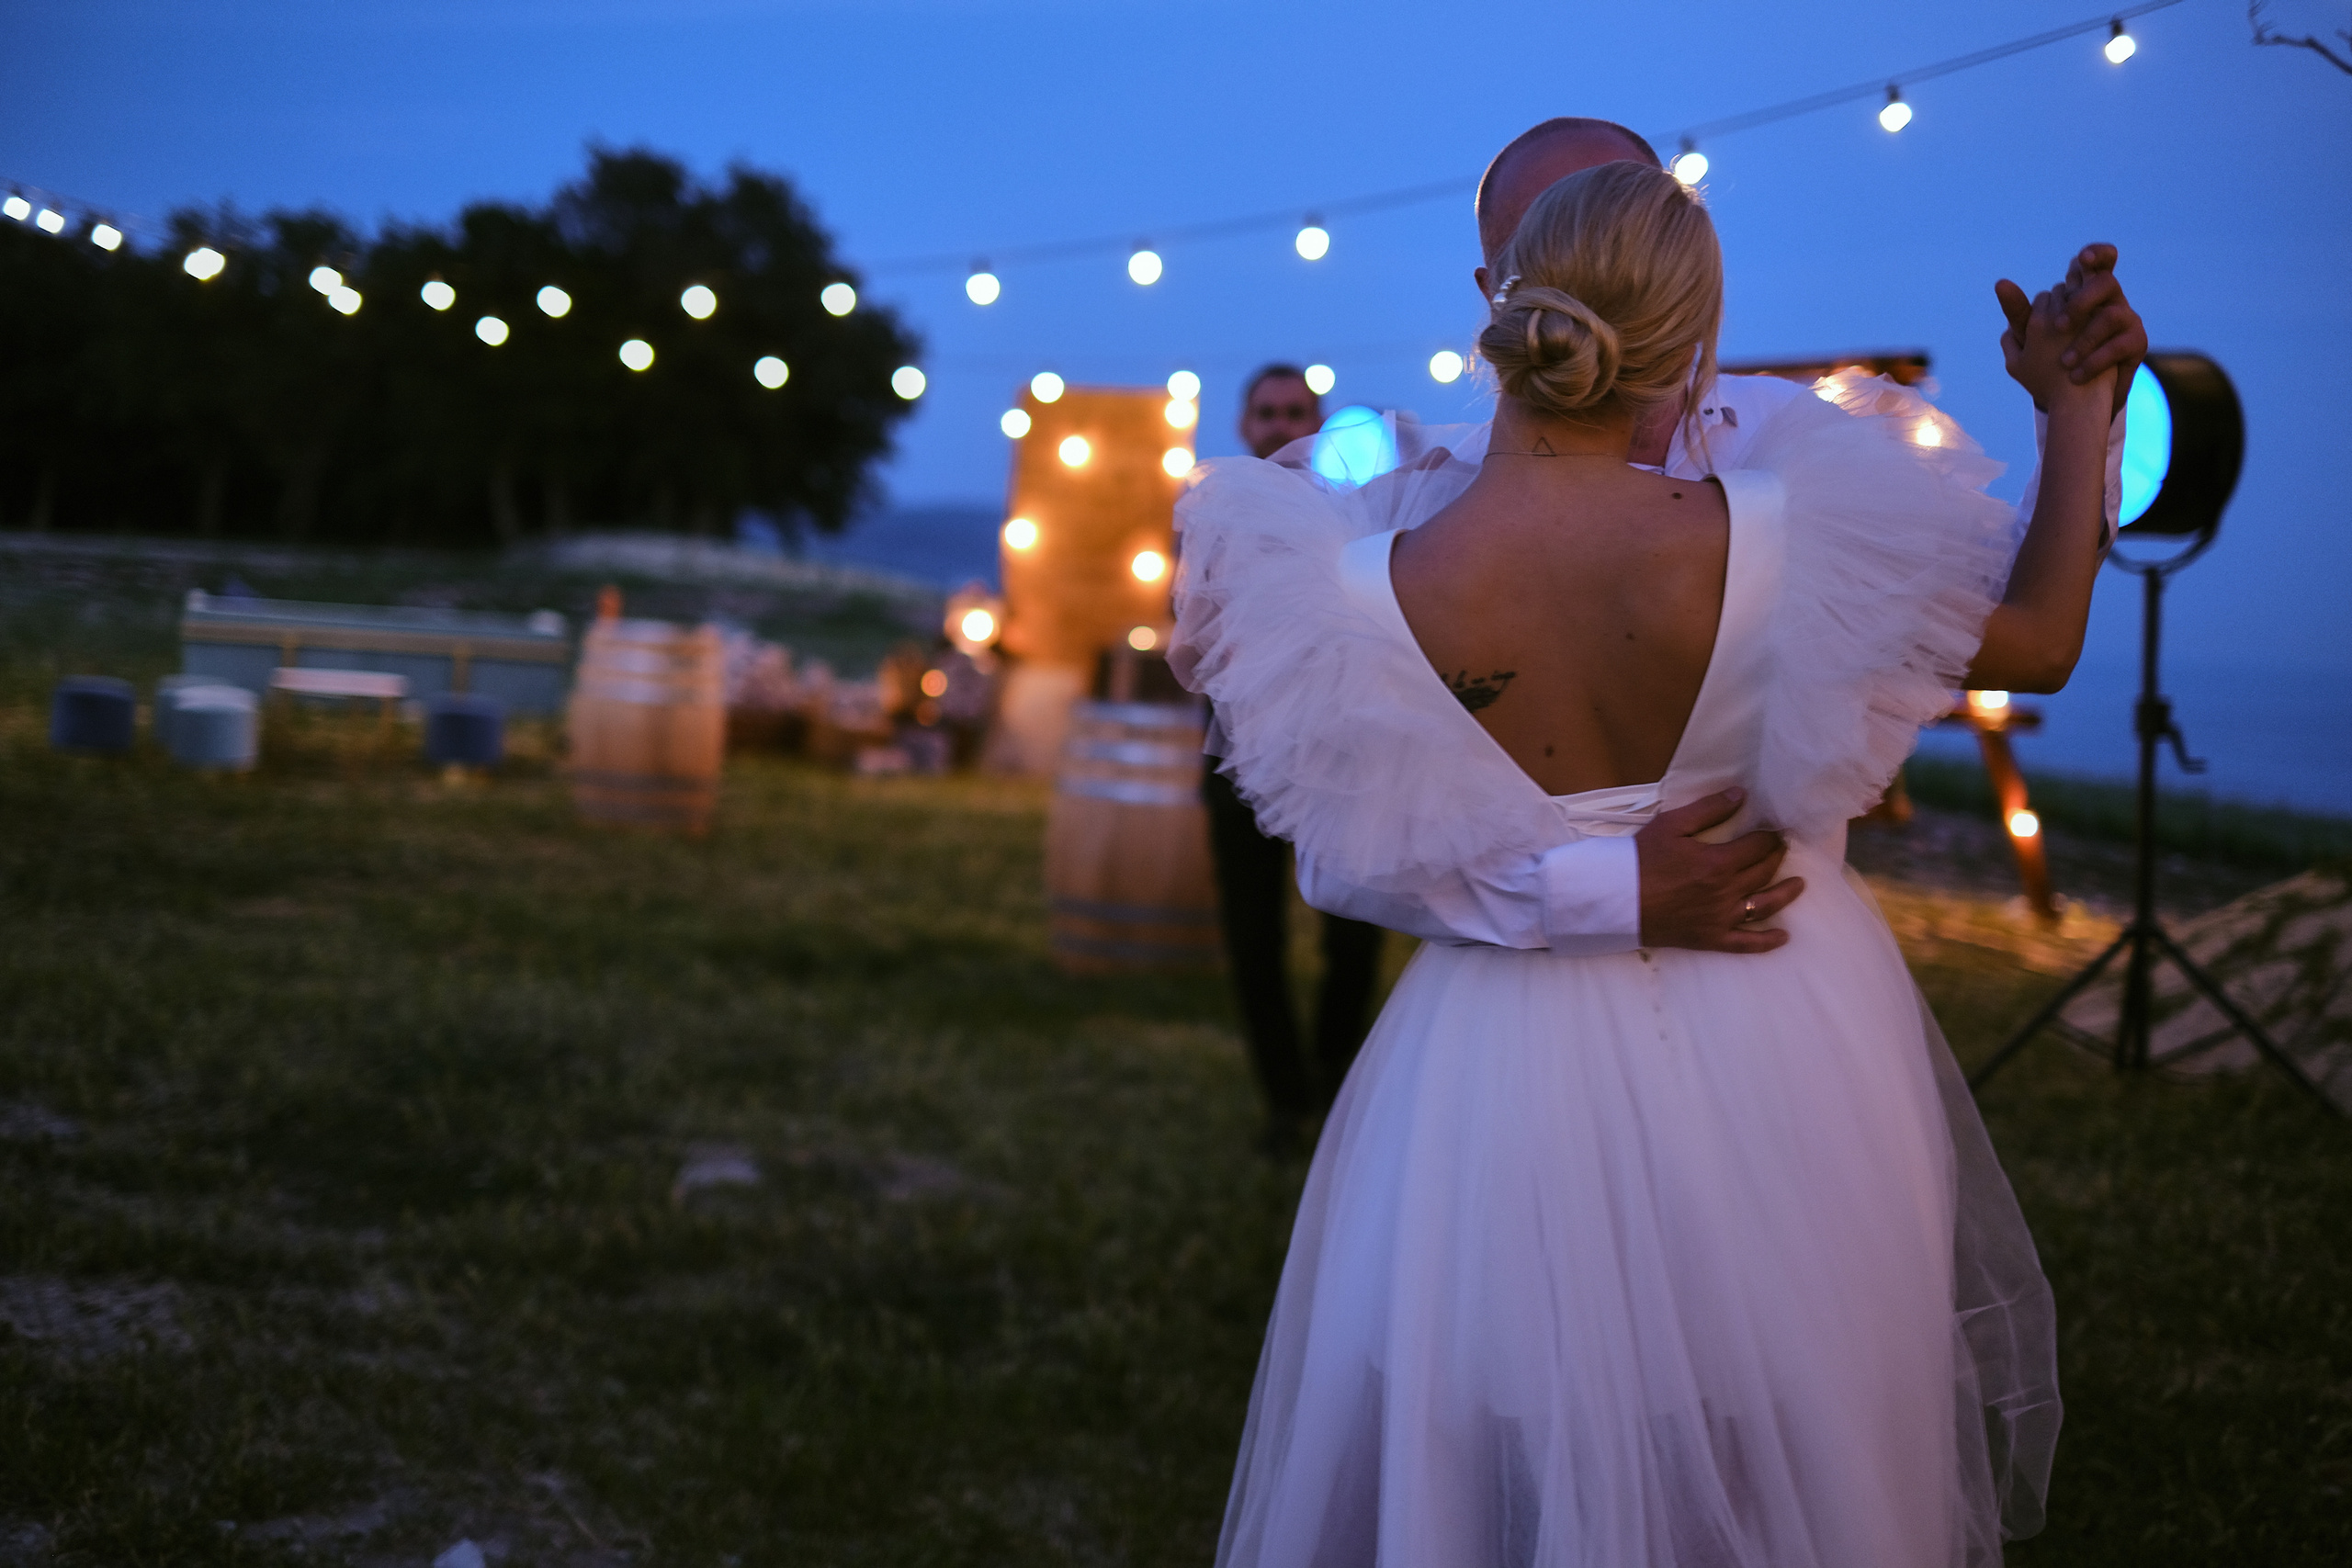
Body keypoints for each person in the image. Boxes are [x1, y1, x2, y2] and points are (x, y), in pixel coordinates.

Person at [1172, 157, 2116, 1563]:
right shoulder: (1789, 534)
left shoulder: (1359, 576)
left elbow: (1336, 857)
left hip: (1488, 1060)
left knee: (1507, 1435)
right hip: (1780, 1016)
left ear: (1504, 308)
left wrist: (1577, 886)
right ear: (1688, 342)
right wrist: (2077, 408)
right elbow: (2039, 636)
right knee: (1785, 1428)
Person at [1204, 364, 1388, 1149]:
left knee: (1355, 927)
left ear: (1315, 428)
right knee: (1254, 938)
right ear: (1245, 426)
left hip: (1339, 755)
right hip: (1240, 753)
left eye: (1295, 412)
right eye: (1267, 412)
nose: (1281, 424)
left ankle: (1335, 1087)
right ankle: (1284, 1103)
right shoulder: (1211, 516)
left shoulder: (1355, 515)